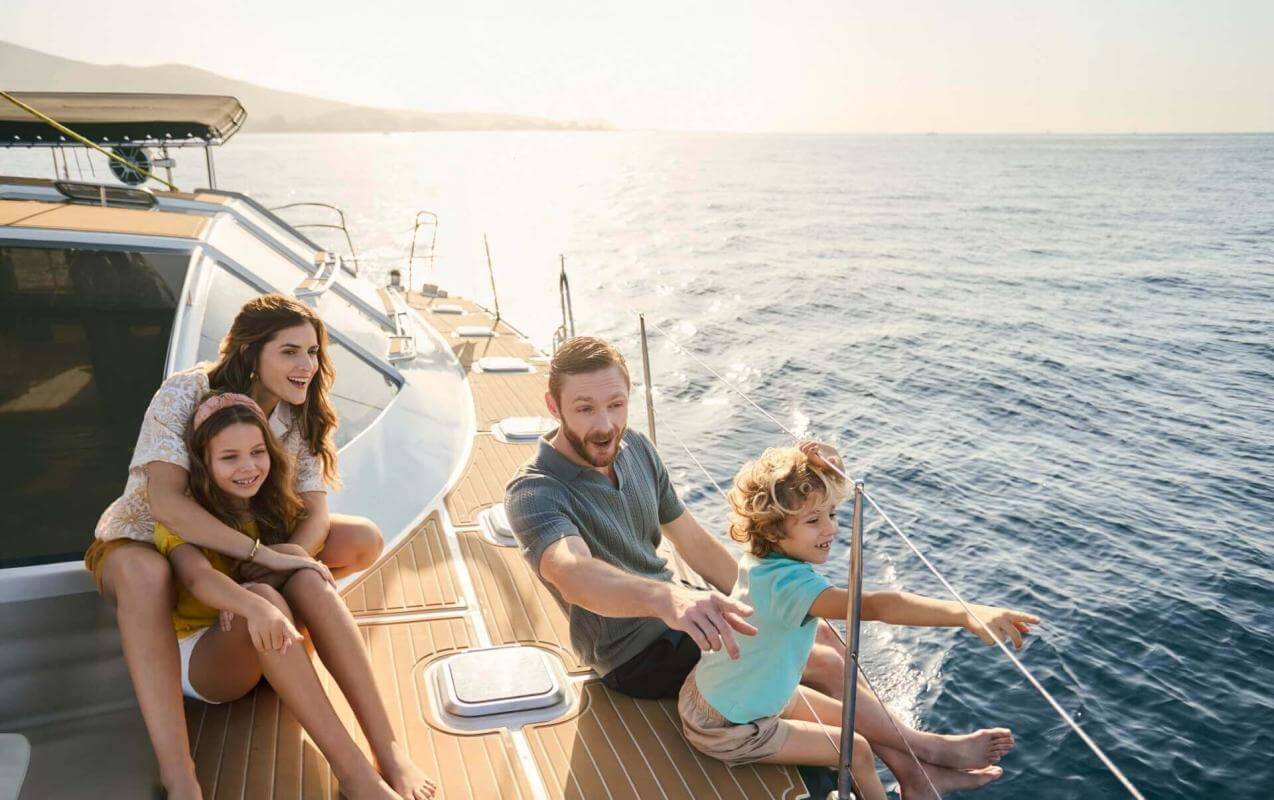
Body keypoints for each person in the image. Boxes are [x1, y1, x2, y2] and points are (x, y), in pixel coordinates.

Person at [505, 336, 1032, 791]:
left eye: (616, 405)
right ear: (554, 406)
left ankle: (915, 767)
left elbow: (692, 540)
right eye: (585, 409)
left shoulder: (636, 449)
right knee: (823, 659)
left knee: (821, 636)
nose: (605, 424)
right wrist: (667, 599)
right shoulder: (536, 494)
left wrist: (767, 597)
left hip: (691, 612)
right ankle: (919, 758)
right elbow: (570, 572)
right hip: (632, 652)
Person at [84, 294, 385, 800]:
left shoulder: (298, 412)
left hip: (240, 544)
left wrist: (288, 557)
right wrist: (261, 559)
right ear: (250, 352)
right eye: (290, 352)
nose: (307, 366)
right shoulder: (188, 392)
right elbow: (167, 504)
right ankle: (179, 774)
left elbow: (315, 513)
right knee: (148, 574)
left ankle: (377, 750)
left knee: (359, 541)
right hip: (147, 540)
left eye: (313, 352)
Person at [680, 441, 1039, 798]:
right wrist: (965, 613)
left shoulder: (763, 558)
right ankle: (918, 780)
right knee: (858, 750)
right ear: (774, 530)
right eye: (814, 520)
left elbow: (804, 499)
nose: (831, 529)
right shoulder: (792, 587)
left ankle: (919, 775)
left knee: (858, 718)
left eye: (833, 514)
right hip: (729, 727)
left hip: (722, 694)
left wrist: (831, 466)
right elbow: (879, 606)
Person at [154, 392, 434, 800]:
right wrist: (249, 601)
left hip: (268, 638)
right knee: (263, 594)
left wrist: (292, 560)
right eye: (229, 458)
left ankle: (388, 752)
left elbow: (307, 545)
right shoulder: (188, 514)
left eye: (256, 452)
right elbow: (199, 580)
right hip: (207, 657)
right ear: (203, 463)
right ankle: (356, 776)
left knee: (305, 578)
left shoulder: (269, 499)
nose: (248, 467)